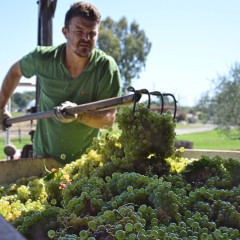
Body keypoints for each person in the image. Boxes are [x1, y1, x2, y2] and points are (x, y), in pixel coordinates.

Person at [0, 2, 121, 164]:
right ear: (65, 32)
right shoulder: (43, 59)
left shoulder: (106, 67)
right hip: (43, 158)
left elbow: (108, 120)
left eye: (92, 34)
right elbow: (15, 71)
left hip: (85, 163)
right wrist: (1, 107)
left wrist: (79, 114)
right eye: (79, 31)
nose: (86, 38)